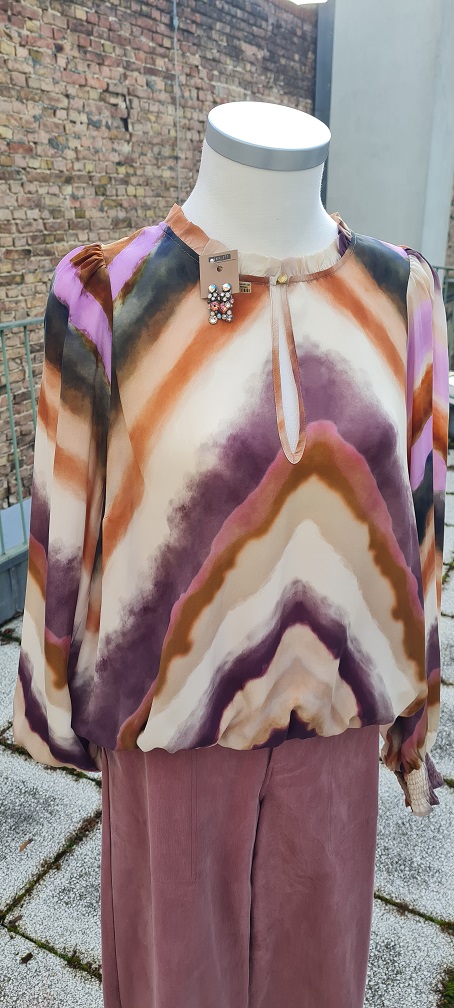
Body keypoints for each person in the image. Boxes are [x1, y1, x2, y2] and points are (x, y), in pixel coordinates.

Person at [13, 101, 449, 1008]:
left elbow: (424, 512)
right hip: (169, 733)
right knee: (176, 983)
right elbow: (65, 519)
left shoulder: (400, 295)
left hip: (336, 727)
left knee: (319, 980)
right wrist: (52, 705)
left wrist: (416, 711)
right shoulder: (111, 296)